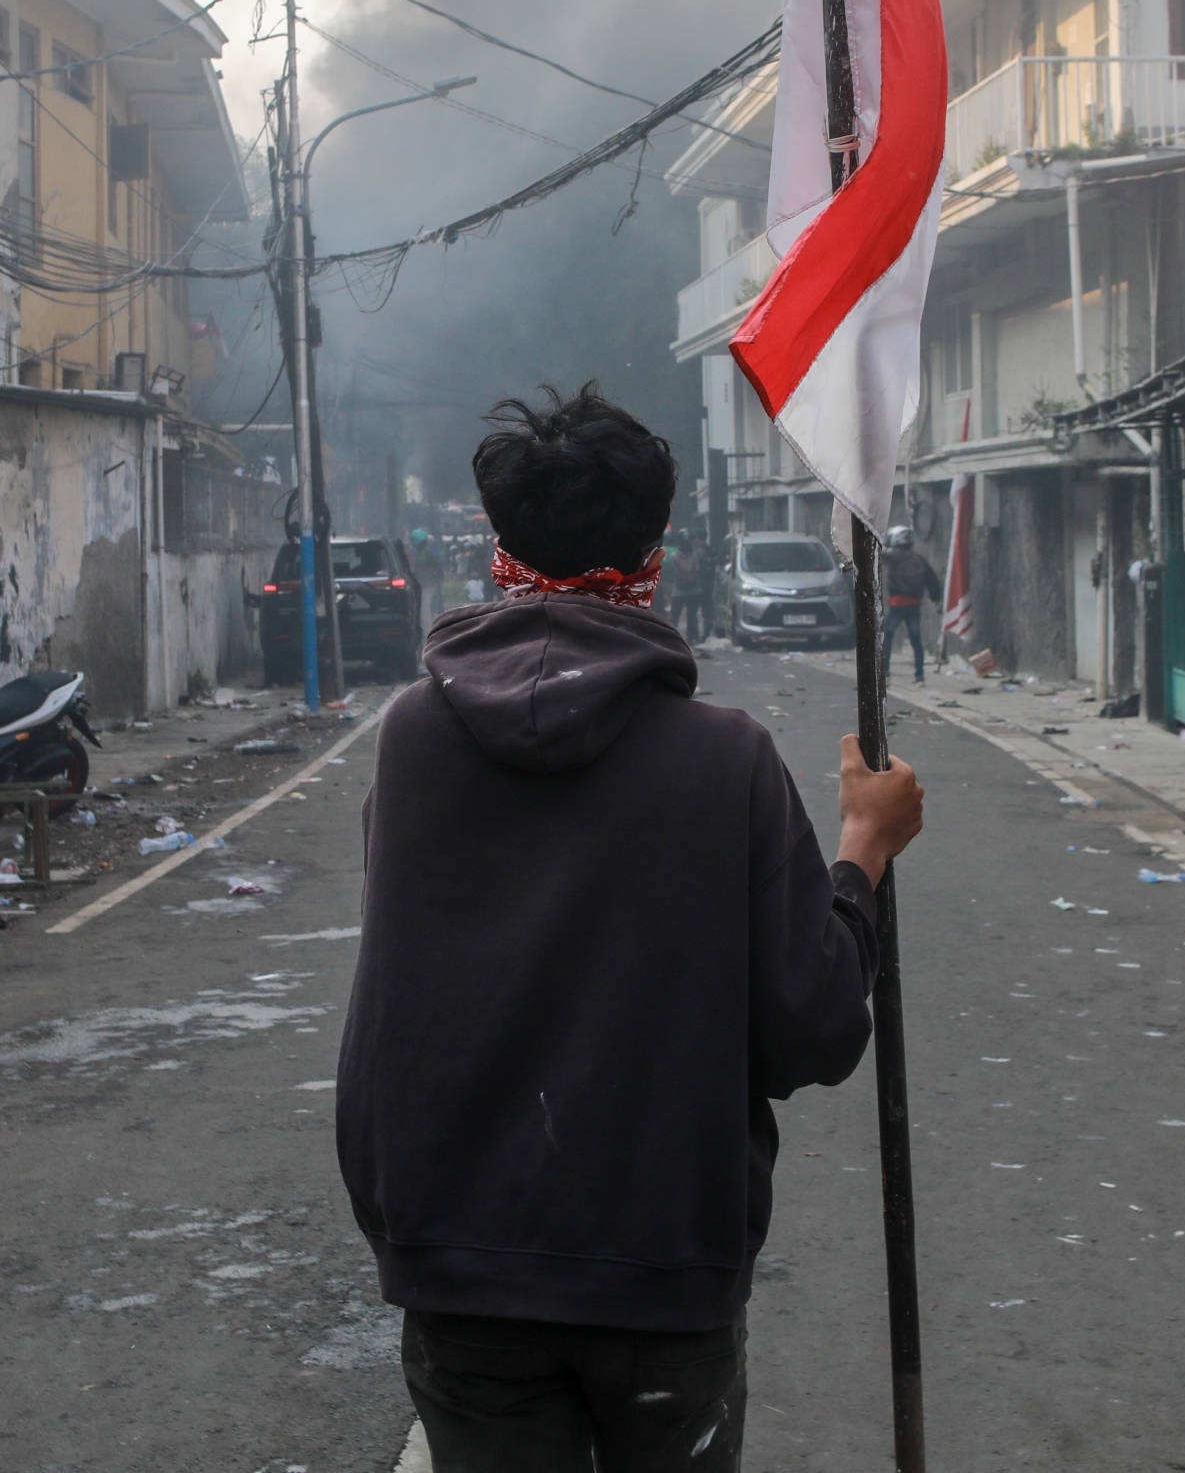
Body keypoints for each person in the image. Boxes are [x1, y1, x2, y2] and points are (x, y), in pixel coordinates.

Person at [337, 383, 925, 1473]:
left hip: (455, 1260)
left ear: (500, 547)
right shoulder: (725, 757)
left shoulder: (413, 739)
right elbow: (814, 1025)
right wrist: (863, 851)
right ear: (655, 553)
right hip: (661, 1275)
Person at [880, 527, 943, 684]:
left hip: (897, 604)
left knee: (887, 635)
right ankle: (919, 675)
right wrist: (936, 599)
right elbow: (932, 581)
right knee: (916, 641)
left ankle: (885, 670)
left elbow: (878, 551)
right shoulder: (919, 559)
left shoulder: (892, 556)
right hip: (914, 605)